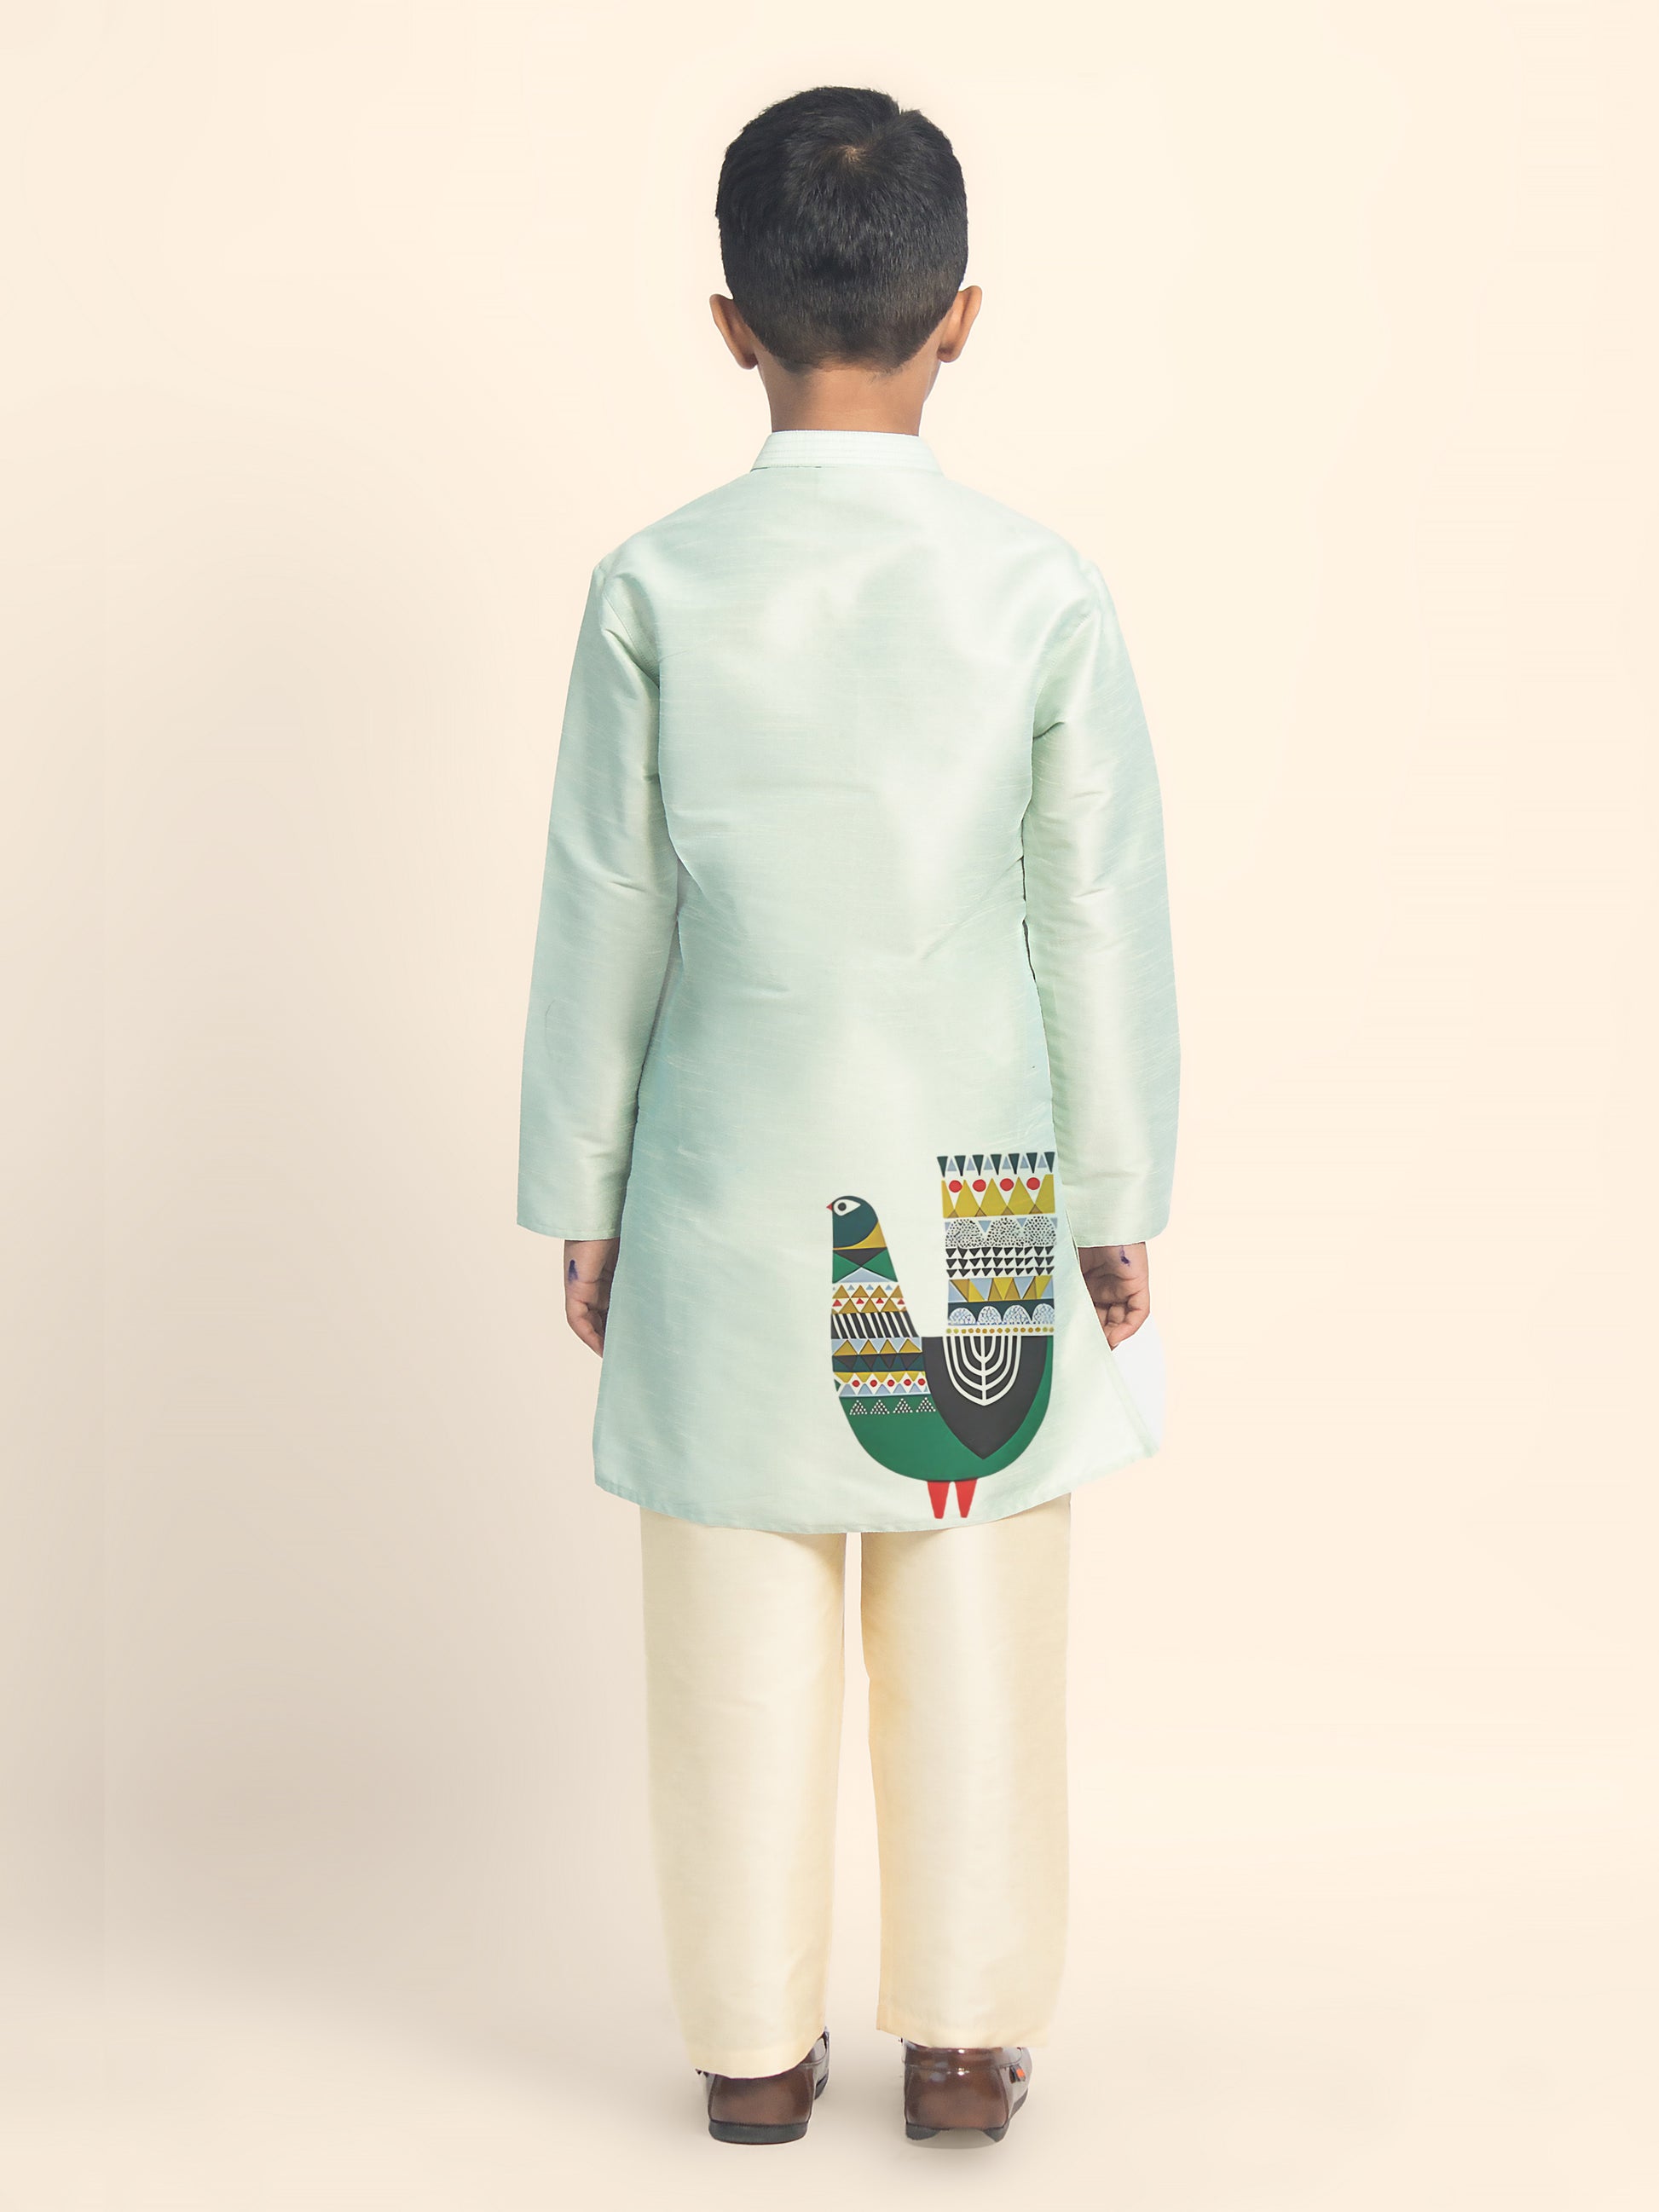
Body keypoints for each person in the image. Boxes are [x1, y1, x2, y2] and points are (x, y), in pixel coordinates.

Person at [517, 84, 1179, 2146]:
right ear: (959, 314)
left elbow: (608, 903)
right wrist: (1111, 1190)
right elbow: (1091, 906)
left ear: (730, 321)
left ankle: (746, 2044)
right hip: (975, 1167)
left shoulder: (652, 585)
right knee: (970, 1581)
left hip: (727, 1162)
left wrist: (586, 1189)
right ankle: (963, 2040)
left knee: (732, 1593)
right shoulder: (1036, 586)